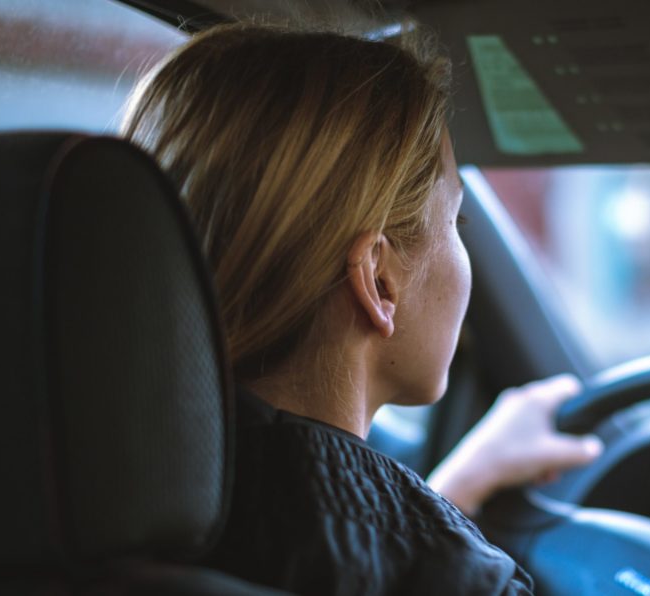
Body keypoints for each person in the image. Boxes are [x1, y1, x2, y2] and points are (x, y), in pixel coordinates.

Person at [123, 23, 602, 595]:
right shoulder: (468, 583)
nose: (463, 244)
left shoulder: (92, 497)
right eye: (457, 222)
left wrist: (450, 494)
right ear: (378, 279)